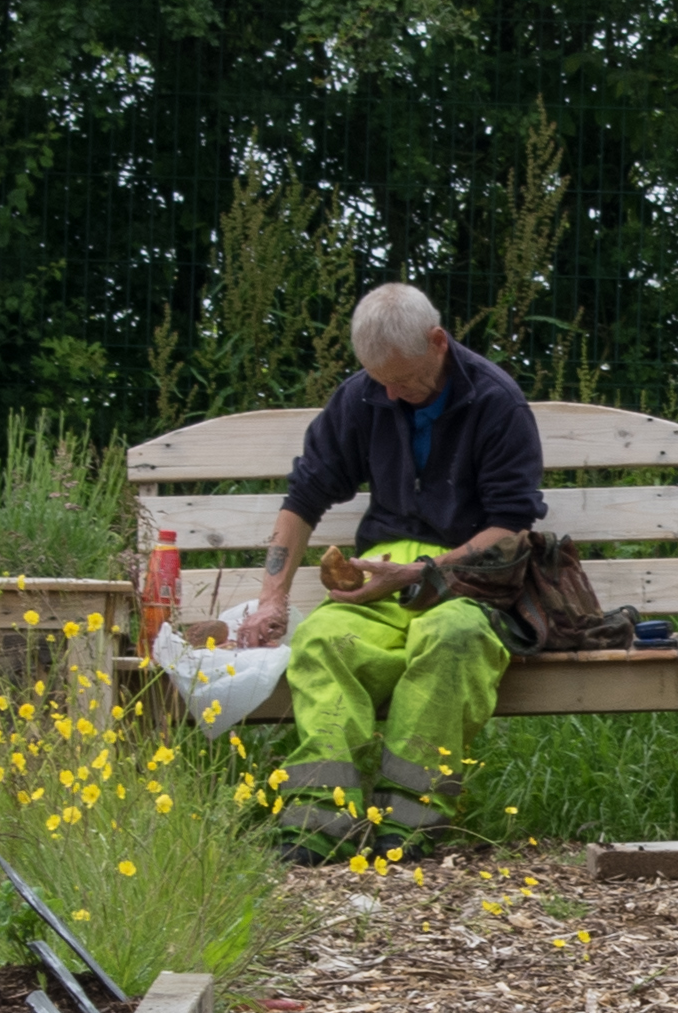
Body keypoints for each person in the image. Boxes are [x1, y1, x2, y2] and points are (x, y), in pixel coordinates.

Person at [218, 280, 546, 842]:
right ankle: (318, 822)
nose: (390, 395)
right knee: (321, 642)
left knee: (453, 642)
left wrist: (424, 573)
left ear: (438, 341)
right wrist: (272, 599)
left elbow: (512, 524)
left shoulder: (497, 401)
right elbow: (303, 499)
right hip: (379, 581)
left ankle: (412, 826)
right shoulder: (361, 396)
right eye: (380, 382)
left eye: (404, 380)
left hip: (469, 585)